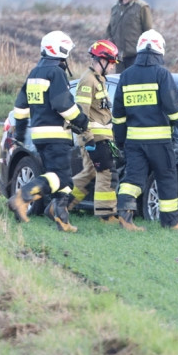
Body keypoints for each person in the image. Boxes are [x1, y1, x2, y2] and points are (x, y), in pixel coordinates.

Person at [7, 30, 90, 232]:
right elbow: (63, 105)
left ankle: (61, 218)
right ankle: (22, 197)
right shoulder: (56, 73)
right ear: (60, 50)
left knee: (61, 181)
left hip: (38, 135)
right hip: (56, 134)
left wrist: (19, 133)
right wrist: (81, 120)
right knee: (61, 178)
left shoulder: (34, 72)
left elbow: (20, 108)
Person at [113, 29, 178, 231]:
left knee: (133, 179)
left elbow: (119, 113)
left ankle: (125, 217)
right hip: (159, 141)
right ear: (159, 51)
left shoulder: (126, 76)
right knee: (166, 178)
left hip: (134, 142)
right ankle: (170, 222)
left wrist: (120, 139)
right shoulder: (161, 74)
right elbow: (173, 106)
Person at [70, 39, 121, 222]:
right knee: (106, 173)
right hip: (94, 137)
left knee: (89, 173)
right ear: (102, 60)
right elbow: (80, 113)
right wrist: (87, 138)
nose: (113, 67)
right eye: (112, 63)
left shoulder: (99, 80)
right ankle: (106, 215)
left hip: (102, 136)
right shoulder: (88, 80)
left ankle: (62, 205)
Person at [106, 0, 153, 73]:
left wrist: (147, 53)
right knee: (120, 81)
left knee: (134, 82)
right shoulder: (115, 8)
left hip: (136, 56)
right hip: (119, 57)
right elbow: (109, 30)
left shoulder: (141, 7)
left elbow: (148, 32)